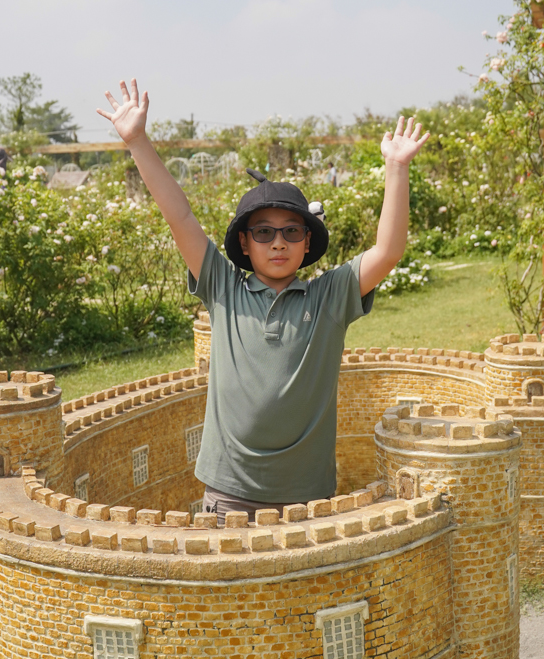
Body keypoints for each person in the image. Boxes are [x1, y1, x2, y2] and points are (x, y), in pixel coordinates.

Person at [97, 78, 429, 523]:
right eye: (264, 232)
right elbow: (179, 216)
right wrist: (137, 140)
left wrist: (396, 169)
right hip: (229, 491)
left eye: (292, 231)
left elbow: (388, 251)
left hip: (306, 496)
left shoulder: (329, 297)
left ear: (307, 243)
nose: (278, 243)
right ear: (245, 244)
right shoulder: (224, 288)